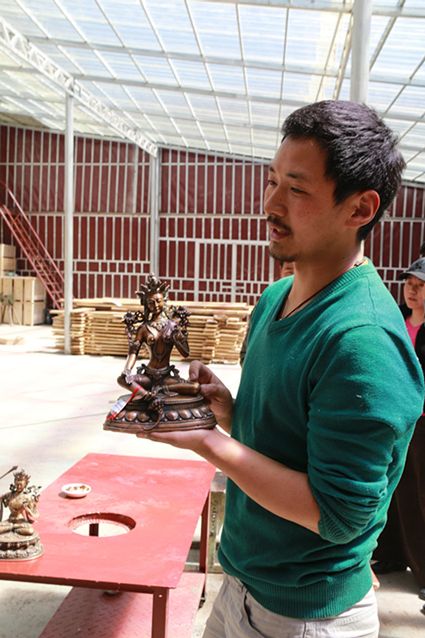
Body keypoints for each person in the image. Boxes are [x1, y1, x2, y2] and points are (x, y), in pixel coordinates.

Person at [137, 101, 424, 637]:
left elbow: (338, 515)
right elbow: (289, 438)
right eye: (272, 181)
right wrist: (229, 412)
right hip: (242, 583)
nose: (270, 204)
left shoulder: (362, 342)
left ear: (360, 209)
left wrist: (207, 442)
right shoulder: (275, 298)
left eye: (296, 189)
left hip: (307, 615)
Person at [373, 257, 425, 599]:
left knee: (421, 494)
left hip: (423, 421)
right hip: (396, 418)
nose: (412, 291)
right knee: (393, 488)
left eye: (420, 286)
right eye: (409, 284)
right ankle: (393, 554)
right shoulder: (397, 321)